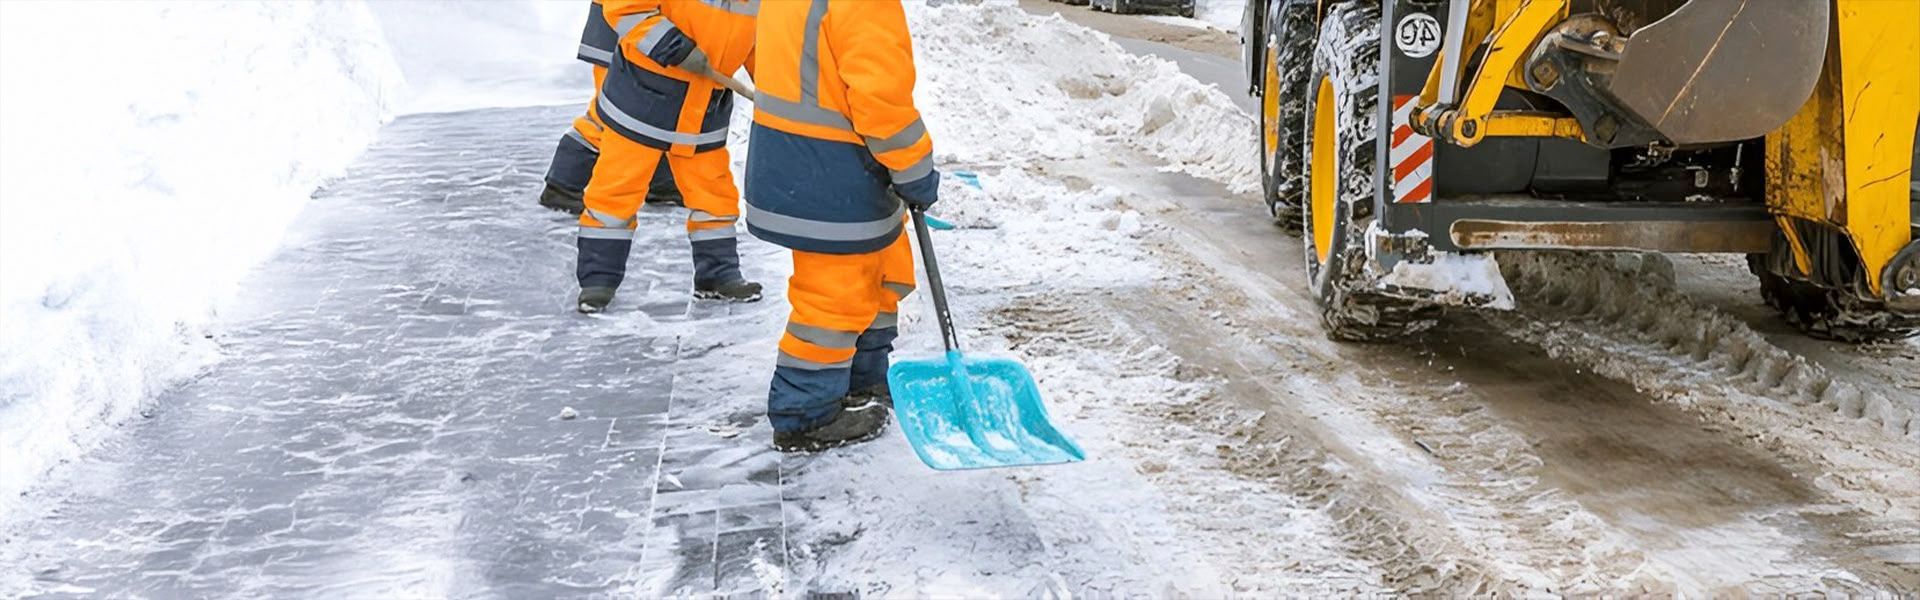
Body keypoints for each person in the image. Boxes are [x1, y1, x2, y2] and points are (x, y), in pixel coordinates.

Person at [744, 0, 938, 452]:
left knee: (881, 270)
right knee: (834, 298)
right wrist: (915, 170)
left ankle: (863, 377)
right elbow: (881, 101)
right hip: (831, 169)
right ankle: (805, 415)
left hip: (808, 164)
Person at [575, 0, 762, 313]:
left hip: (705, 106)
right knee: (616, 189)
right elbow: (625, 8)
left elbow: (761, 41)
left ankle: (718, 275)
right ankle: (598, 280)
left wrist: (775, 88)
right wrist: (675, 47)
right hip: (643, 97)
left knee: (714, 195)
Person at [538, 0, 683, 215]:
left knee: (655, 112)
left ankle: (660, 183)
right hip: (627, 30)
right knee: (613, 116)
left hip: (646, 32)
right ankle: (563, 186)